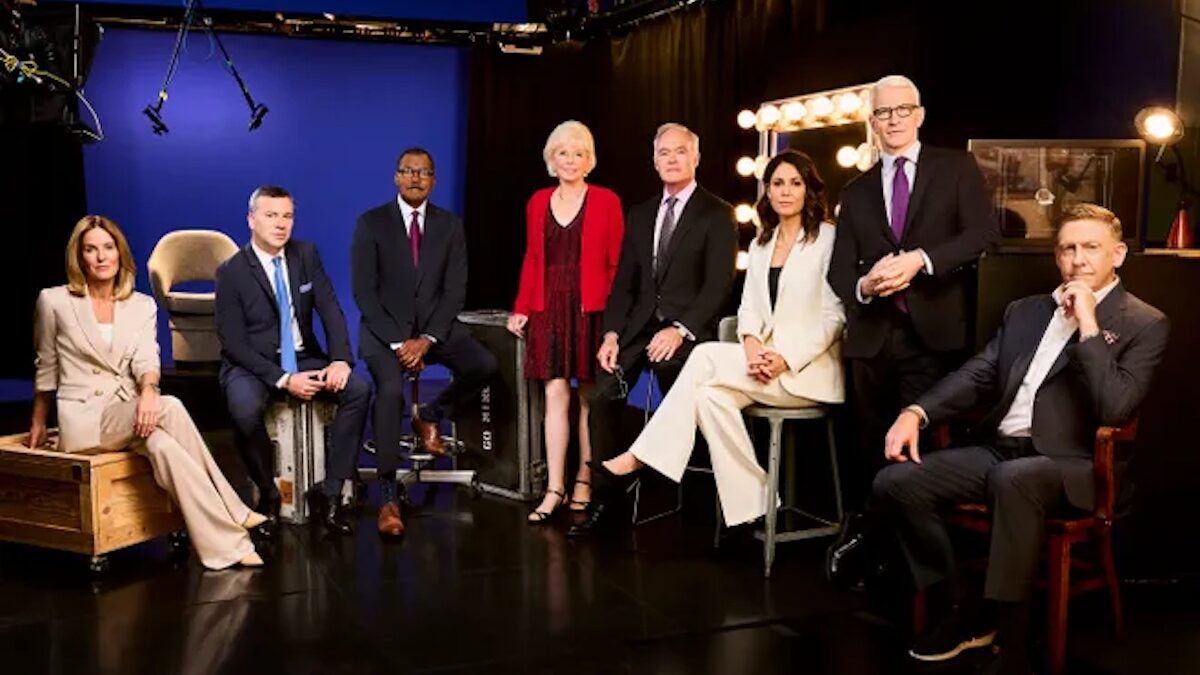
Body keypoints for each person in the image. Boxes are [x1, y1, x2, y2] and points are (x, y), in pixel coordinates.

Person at [871, 204, 1169, 674]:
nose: (1078, 259)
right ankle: (964, 607)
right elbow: (978, 373)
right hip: (1001, 452)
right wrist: (916, 412)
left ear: (1117, 255)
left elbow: (1114, 409)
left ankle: (1011, 638)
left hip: (1072, 466)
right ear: (1056, 256)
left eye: (1091, 248)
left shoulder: (1144, 322)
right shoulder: (1027, 311)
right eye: (1068, 248)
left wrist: (1088, 324)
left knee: (1014, 478)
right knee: (895, 482)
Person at [595, 151, 845, 526]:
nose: (786, 191)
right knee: (709, 397)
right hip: (761, 367)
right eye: (777, 183)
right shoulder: (762, 244)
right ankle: (757, 506)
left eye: (795, 183)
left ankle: (639, 458)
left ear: (809, 189)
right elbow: (749, 309)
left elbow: (834, 316)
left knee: (705, 356)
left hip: (805, 372)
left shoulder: (828, 239)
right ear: (767, 190)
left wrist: (785, 357)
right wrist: (752, 346)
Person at [29, 215, 264, 569]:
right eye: (90, 250)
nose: (101, 257)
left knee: (164, 446)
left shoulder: (140, 305)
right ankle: (233, 506)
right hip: (85, 421)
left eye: (108, 248)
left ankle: (227, 547)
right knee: (170, 406)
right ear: (79, 257)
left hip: (130, 414)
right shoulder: (54, 301)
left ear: (120, 253)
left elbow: (145, 359)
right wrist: (38, 420)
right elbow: (46, 364)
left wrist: (148, 390)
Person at [827, 75, 1000, 506]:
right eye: (884, 112)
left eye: (903, 109)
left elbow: (982, 234)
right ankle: (874, 536)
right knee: (870, 447)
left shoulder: (955, 167)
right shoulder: (855, 190)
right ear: (873, 122)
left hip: (934, 333)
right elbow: (838, 272)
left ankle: (913, 542)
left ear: (919, 115)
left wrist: (921, 259)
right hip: (871, 341)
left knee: (918, 453)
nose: (894, 119)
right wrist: (865, 286)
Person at [569, 122, 738, 536]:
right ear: (654, 161)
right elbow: (624, 283)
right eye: (664, 153)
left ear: (696, 158)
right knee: (602, 394)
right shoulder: (641, 214)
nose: (672, 159)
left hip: (687, 334)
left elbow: (718, 285)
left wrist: (681, 328)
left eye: (680, 151)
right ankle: (607, 499)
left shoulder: (717, 213)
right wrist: (611, 334)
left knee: (676, 383)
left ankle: (693, 498)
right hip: (639, 329)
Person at [352, 147, 498, 536]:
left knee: (484, 365)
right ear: (396, 177)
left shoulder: (450, 226)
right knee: (389, 393)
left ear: (434, 180)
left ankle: (431, 415)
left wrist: (427, 339)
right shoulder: (371, 224)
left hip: (434, 329)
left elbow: (454, 291)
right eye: (408, 171)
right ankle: (388, 497)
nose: (416, 178)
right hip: (384, 332)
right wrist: (399, 342)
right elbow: (364, 292)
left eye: (424, 172)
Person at [215, 186, 371, 536]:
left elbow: (330, 309)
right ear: (251, 220)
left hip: (303, 357)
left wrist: (340, 359)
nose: (281, 224)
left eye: (287, 216)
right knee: (244, 409)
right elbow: (233, 343)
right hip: (252, 363)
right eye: (271, 215)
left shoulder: (306, 254)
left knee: (358, 390)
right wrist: (284, 380)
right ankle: (269, 497)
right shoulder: (231, 272)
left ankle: (331, 495)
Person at [507, 121, 625, 523]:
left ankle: (584, 480)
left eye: (579, 153)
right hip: (548, 306)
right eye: (563, 153)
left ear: (589, 160)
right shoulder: (538, 201)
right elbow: (532, 258)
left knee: (588, 395)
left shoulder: (607, 200)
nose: (571, 160)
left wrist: (614, 320)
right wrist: (522, 307)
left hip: (592, 308)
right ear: (551, 160)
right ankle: (554, 488)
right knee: (554, 393)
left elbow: (617, 265)